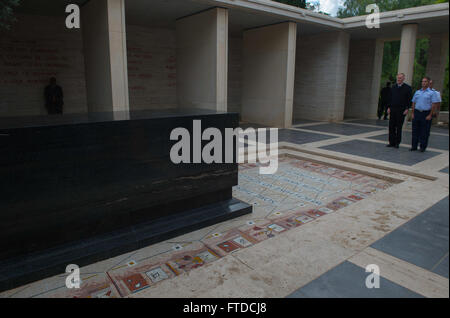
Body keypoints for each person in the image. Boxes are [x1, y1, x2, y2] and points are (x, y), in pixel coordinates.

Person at [410, 77, 440, 152]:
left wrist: (430, 115)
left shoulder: (432, 93)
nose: (423, 83)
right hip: (417, 112)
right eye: (422, 81)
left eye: (425, 81)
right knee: (415, 130)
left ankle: (422, 147)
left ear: (428, 82)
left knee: (424, 131)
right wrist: (413, 113)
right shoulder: (417, 92)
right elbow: (413, 102)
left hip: (425, 113)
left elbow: (433, 104)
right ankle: (414, 146)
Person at [386, 73, 412, 148]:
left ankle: (397, 143)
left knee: (399, 127)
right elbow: (390, 98)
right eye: (398, 78)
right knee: (391, 126)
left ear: (403, 79)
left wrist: (407, 108)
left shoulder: (408, 88)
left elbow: (409, 99)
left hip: (401, 110)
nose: (399, 79)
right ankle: (391, 142)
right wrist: (388, 107)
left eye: (400, 78)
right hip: (393, 109)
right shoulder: (393, 87)